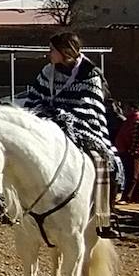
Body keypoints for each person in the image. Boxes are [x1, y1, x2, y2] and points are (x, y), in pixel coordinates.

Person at [23, 32, 117, 235]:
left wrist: (64, 114)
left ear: (64, 51)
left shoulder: (90, 73)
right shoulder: (47, 72)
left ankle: (105, 215)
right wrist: (42, 112)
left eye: (52, 51)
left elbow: (89, 105)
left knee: (103, 161)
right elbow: (34, 97)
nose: (49, 54)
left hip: (82, 126)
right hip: (47, 121)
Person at [115, 103, 139, 204]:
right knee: (135, 175)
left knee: (131, 175)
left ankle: (126, 197)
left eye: (126, 108)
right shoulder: (129, 120)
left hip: (132, 152)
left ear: (133, 108)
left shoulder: (137, 120)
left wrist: (133, 151)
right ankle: (135, 197)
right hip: (126, 150)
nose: (124, 111)